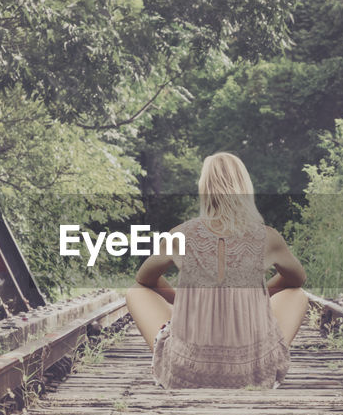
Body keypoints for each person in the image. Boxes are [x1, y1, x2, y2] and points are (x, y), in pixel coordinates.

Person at [126, 152, 309, 389]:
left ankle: (182, 359)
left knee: (135, 292)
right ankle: (259, 360)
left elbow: (143, 280)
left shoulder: (179, 235)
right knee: (297, 295)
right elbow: (297, 280)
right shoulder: (268, 237)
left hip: (186, 374)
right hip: (253, 375)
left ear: (204, 188)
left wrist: (185, 300)